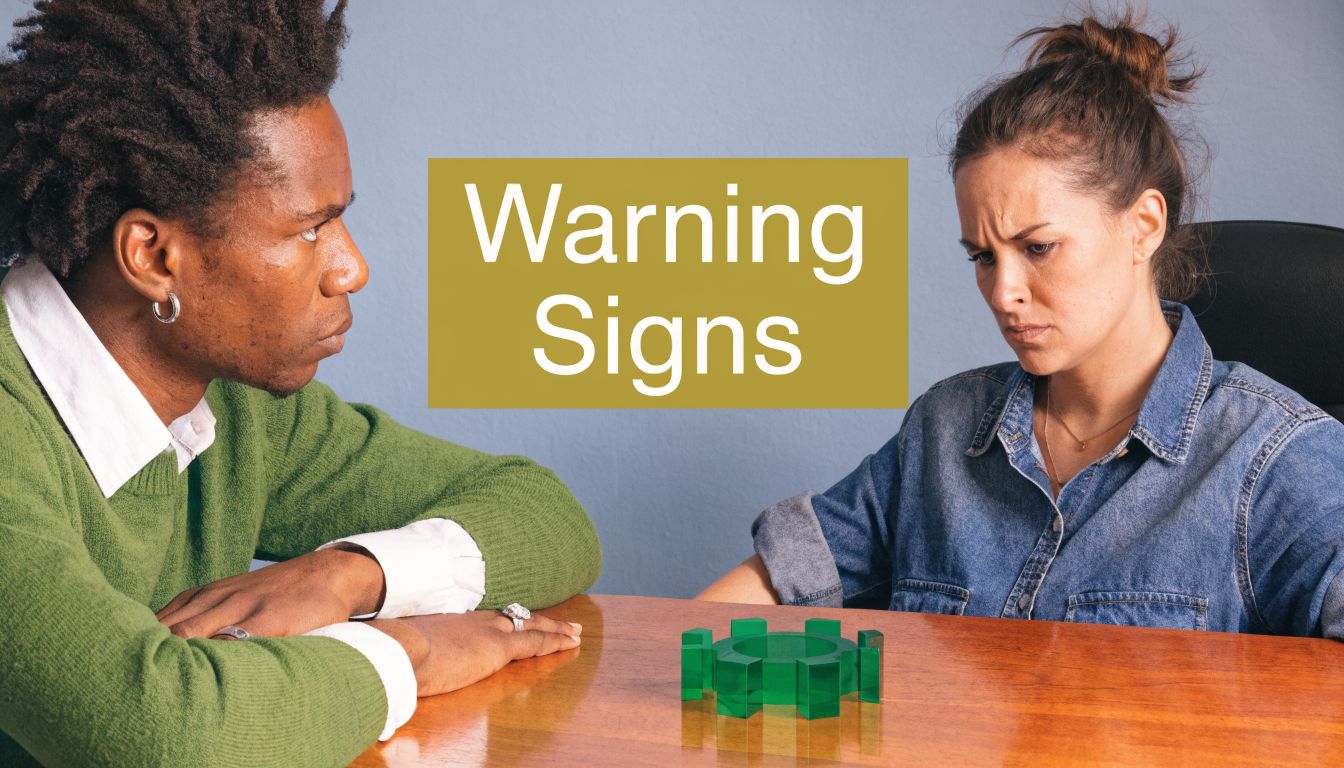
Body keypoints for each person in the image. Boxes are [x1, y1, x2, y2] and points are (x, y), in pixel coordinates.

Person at [0, 1, 601, 765]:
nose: (352, 268)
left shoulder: (236, 406)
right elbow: (167, 735)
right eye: (310, 228)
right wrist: (411, 653)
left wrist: (348, 576)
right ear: (152, 257)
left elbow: (548, 516)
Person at [699, 12, 1344, 641]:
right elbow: (778, 581)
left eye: (1038, 248)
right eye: (983, 257)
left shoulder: (1276, 460)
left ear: (1143, 226)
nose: (1003, 293)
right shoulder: (945, 430)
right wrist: (652, 658)